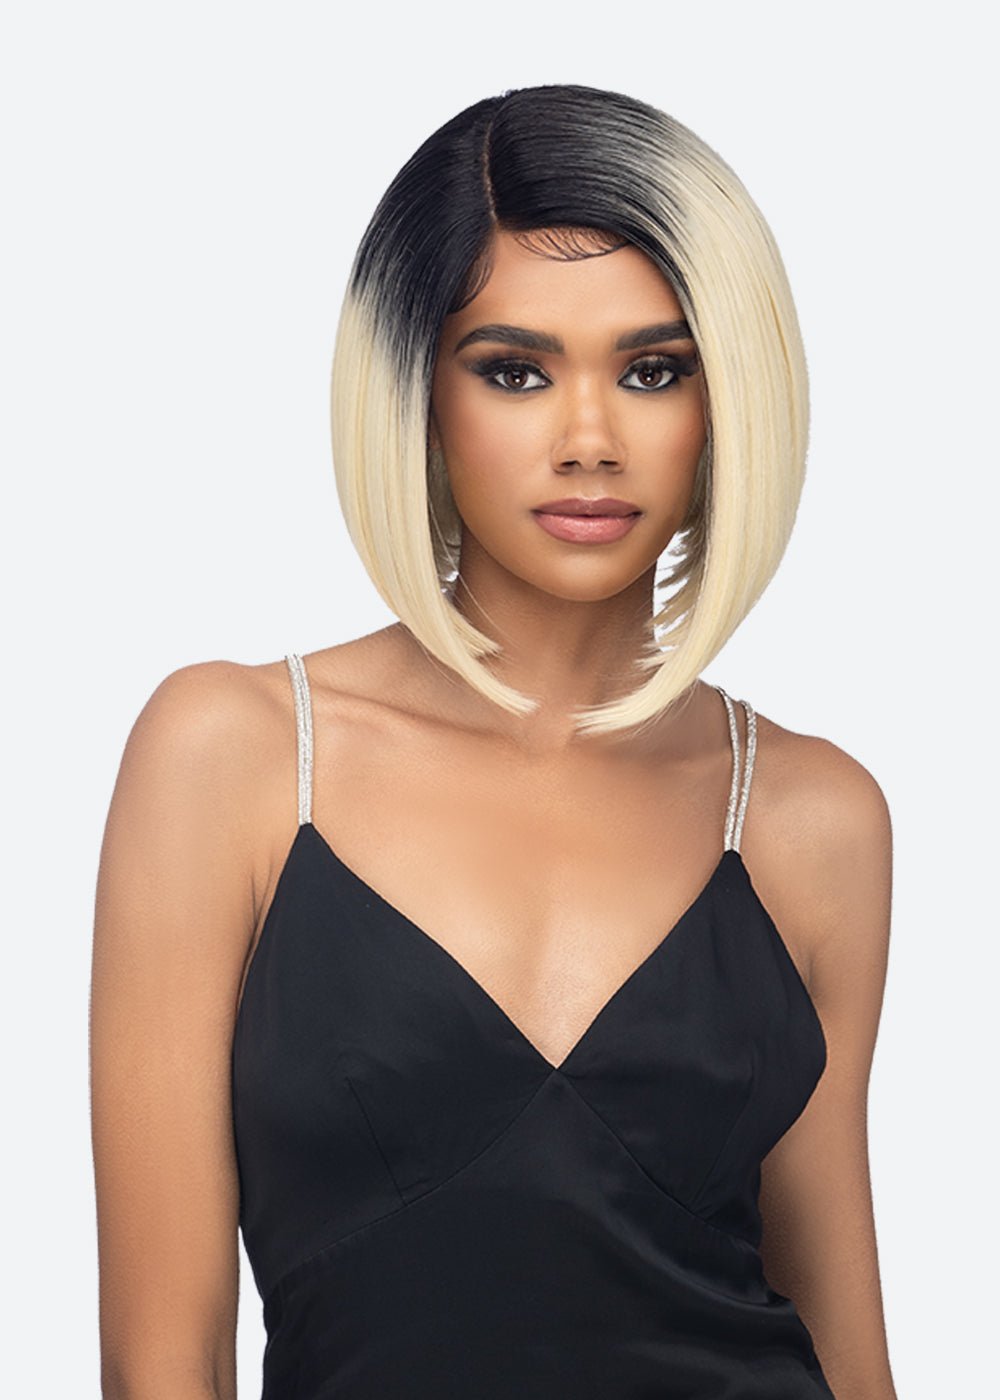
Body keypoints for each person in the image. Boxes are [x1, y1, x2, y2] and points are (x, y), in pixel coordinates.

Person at [90, 83, 898, 1399]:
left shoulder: (810, 816)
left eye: (653, 370)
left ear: (728, 401)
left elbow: (847, 1346)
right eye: (515, 370)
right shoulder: (235, 757)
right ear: (418, 392)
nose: (590, 441)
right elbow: (158, 1362)